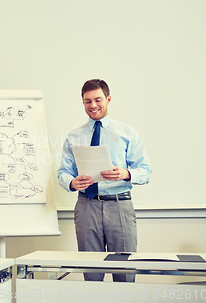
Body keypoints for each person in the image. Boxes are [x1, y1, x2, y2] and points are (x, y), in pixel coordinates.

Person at [58, 79, 152, 282]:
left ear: (108, 99)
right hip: (86, 206)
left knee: (124, 273)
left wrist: (126, 174)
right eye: (87, 101)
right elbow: (63, 172)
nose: (92, 106)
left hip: (119, 206)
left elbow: (145, 171)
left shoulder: (127, 133)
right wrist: (72, 183)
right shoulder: (73, 136)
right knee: (91, 273)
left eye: (97, 100)